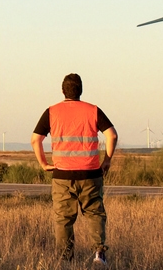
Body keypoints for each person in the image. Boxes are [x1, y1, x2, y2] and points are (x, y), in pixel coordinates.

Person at [31, 73, 117, 264]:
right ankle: (99, 251)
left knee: (64, 219)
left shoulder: (52, 112)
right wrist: (107, 160)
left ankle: (66, 259)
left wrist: (44, 164)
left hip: (62, 175)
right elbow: (111, 135)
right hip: (90, 174)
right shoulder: (93, 110)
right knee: (94, 213)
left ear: (63, 91)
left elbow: (35, 139)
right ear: (81, 90)